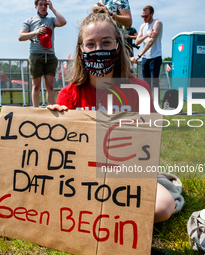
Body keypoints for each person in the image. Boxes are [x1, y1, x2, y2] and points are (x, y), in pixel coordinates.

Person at [47, 6, 175, 223]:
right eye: (91, 44)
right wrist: (54, 122)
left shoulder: (139, 89)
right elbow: (59, 152)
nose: (98, 49)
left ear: (118, 46)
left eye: (106, 42)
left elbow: (150, 144)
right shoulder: (69, 94)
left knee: (162, 207)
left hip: (127, 174)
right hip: (80, 176)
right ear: (81, 50)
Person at [18, 0, 66, 107]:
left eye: (45, 5)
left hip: (50, 56)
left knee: (50, 86)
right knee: (36, 86)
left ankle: (50, 108)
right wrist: (36, 32)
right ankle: (36, 110)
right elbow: (20, 37)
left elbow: (63, 22)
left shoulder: (51, 20)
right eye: (41, 5)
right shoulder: (30, 20)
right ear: (36, 6)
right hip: (36, 55)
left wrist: (52, 8)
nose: (43, 7)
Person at [132, 5, 163, 101]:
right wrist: (146, 34)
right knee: (146, 84)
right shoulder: (143, 26)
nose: (143, 18)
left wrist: (139, 55)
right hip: (146, 58)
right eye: (142, 16)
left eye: (145, 16)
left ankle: (155, 104)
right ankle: (147, 103)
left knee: (154, 83)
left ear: (152, 14)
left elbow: (151, 42)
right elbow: (137, 42)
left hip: (155, 57)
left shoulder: (157, 23)